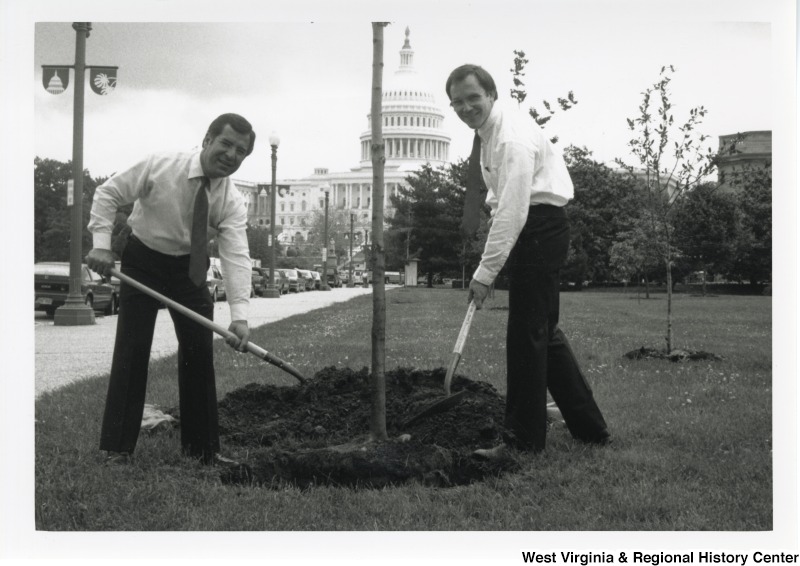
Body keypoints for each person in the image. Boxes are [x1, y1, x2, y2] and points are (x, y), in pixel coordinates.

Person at [445, 65, 610, 458]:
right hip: (535, 227)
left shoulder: (510, 138)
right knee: (544, 333)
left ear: (492, 95)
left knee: (525, 336)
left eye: (473, 98)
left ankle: (521, 443)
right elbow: (504, 200)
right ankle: (590, 428)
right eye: (458, 102)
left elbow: (513, 211)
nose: (466, 107)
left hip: (538, 228)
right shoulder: (490, 132)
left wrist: (485, 274)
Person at [86, 113, 256, 465]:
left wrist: (240, 317)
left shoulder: (232, 201)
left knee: (198, 352)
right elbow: (108, 193)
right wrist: (102, 244)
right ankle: (116, 448)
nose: (230, 154)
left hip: (189, 270)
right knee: (133, 349)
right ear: (207, 140)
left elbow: (236, 256)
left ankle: (203, 450)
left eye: (240, 151)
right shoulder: (161, 165)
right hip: (143, 258)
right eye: (225, 143)